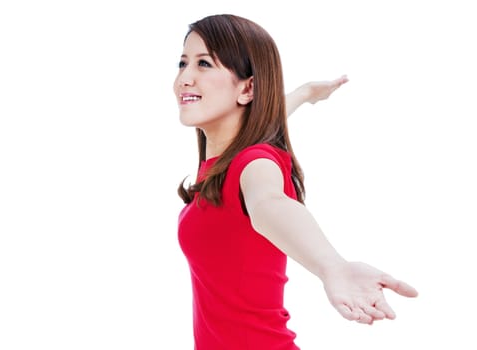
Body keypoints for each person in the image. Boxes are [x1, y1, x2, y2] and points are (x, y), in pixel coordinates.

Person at [173, 14, 417, 350]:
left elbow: (269, 203)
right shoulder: (222, 164)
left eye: (203, 64)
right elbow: (265, 118)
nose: (184, 78)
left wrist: (332, 265)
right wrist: (306, 93)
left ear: (247, 88)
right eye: (182, 63)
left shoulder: (254, 163)